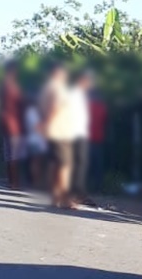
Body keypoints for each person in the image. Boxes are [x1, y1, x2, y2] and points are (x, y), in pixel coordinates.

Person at [39, 62, 75, 209]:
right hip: (60, 130)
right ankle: (65, 198)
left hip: (54, 130)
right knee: (64, 165)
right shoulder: (57, 87)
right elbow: (55, 107)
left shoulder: (48, 87)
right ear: (58, 72)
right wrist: (47, 123)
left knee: (55, 164)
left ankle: (55, 196)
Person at [0, 60, 25, 189]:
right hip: (13, 123)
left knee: (9, 154)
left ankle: (10, 181)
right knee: (14, 154)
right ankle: (15, 182)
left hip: (5, 122)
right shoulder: (12, 86)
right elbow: (20, 104)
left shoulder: (2, 85)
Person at [69, 70, 93, 204]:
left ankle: (78, 192)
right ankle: (76, 193)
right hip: (75, 133)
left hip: (81, 132)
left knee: (80, 164)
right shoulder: (74, 94)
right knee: (78, 163)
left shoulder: (81, 95)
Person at [24, 95, 47, 189]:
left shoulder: (29, 112)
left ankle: (34, 181)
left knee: (34, 162)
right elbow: (36, 126)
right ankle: (35, 182)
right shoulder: (32, 112)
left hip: (33, 140)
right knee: (35, 162)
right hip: (34, 140)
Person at [88, 86, 107, 194]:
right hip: (99, 138)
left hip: (88, 138)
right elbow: (104, 120)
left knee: (86, 164)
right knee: (98, 165)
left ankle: (86, 186)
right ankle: (98, 186)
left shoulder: (87, 106)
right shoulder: (102, 107)